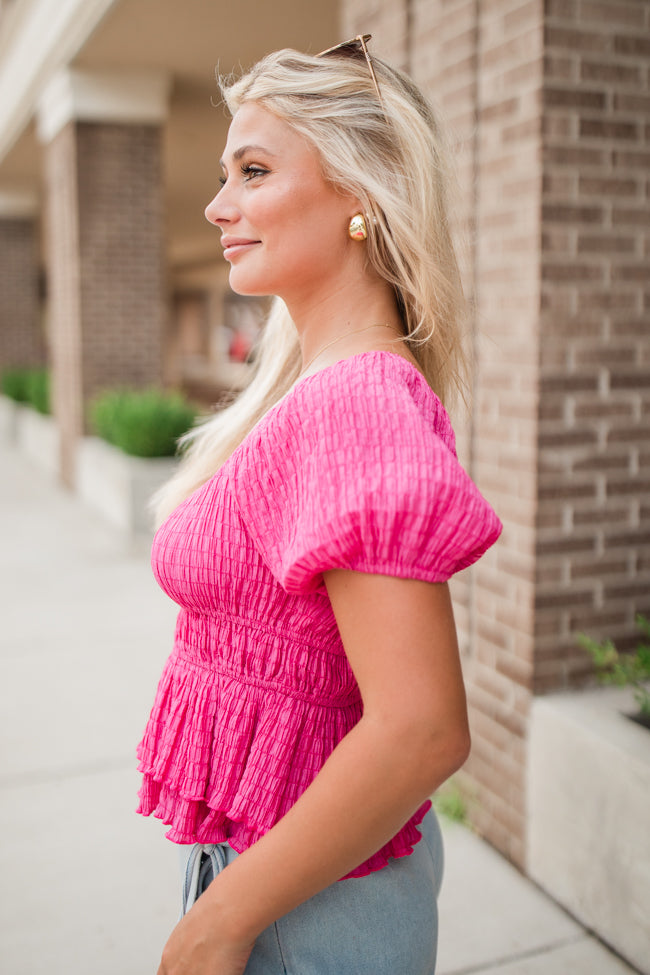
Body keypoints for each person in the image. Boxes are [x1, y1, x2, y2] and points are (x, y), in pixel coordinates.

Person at [137, 35, 502, 975]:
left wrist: (218, 923)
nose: (219, 207)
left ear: (360, 196)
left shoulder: (358, 401)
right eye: (225, 173)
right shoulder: (317, 393)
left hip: (309, 911)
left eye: (253, 171)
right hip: (285, 877)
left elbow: (421, 727)